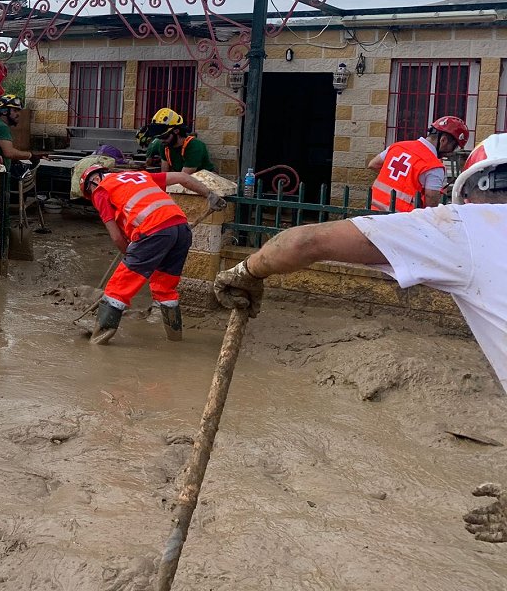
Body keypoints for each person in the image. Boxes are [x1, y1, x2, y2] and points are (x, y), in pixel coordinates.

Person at [213, 133, 507, 545]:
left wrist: (246, 273)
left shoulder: (470, 224)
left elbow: (304, 241)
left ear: (472, 191)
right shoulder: (438, 177)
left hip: (398, 226)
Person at [81, 163, 226, 344]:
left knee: (118, 287)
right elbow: (183, 178)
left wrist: (131, 256)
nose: (92, 197)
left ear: (93, 181)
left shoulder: (100, 190)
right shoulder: (139, 176)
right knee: (165, 289)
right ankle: (175, 340)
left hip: (154, 231)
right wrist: (210, 195)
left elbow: (116, 237)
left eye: (89, 192)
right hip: (181, 230)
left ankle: (97, 341)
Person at [367, 115, 469, 211]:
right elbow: (431, 204)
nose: (452, 152)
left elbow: (373, 164)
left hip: (372, 211)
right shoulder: (434, 166)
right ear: (443, 140)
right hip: (401, 221)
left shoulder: (398, 146)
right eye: (454, 147)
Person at [0, 94, 44, 178]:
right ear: (4, 111)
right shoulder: (1, 127)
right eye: (15, 110)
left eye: (19, 111)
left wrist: (15, 160)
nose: (18, 114)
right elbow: (9, 153)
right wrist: (30, 156)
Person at [148, 108, 214, 174]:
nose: (161, 140)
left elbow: (184, 177)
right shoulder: (164, 146)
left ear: (176, 131)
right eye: (158, 137)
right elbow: (164, 175)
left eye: (164, 136)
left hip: (206, 180)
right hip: (182, 179)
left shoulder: (195, 146)